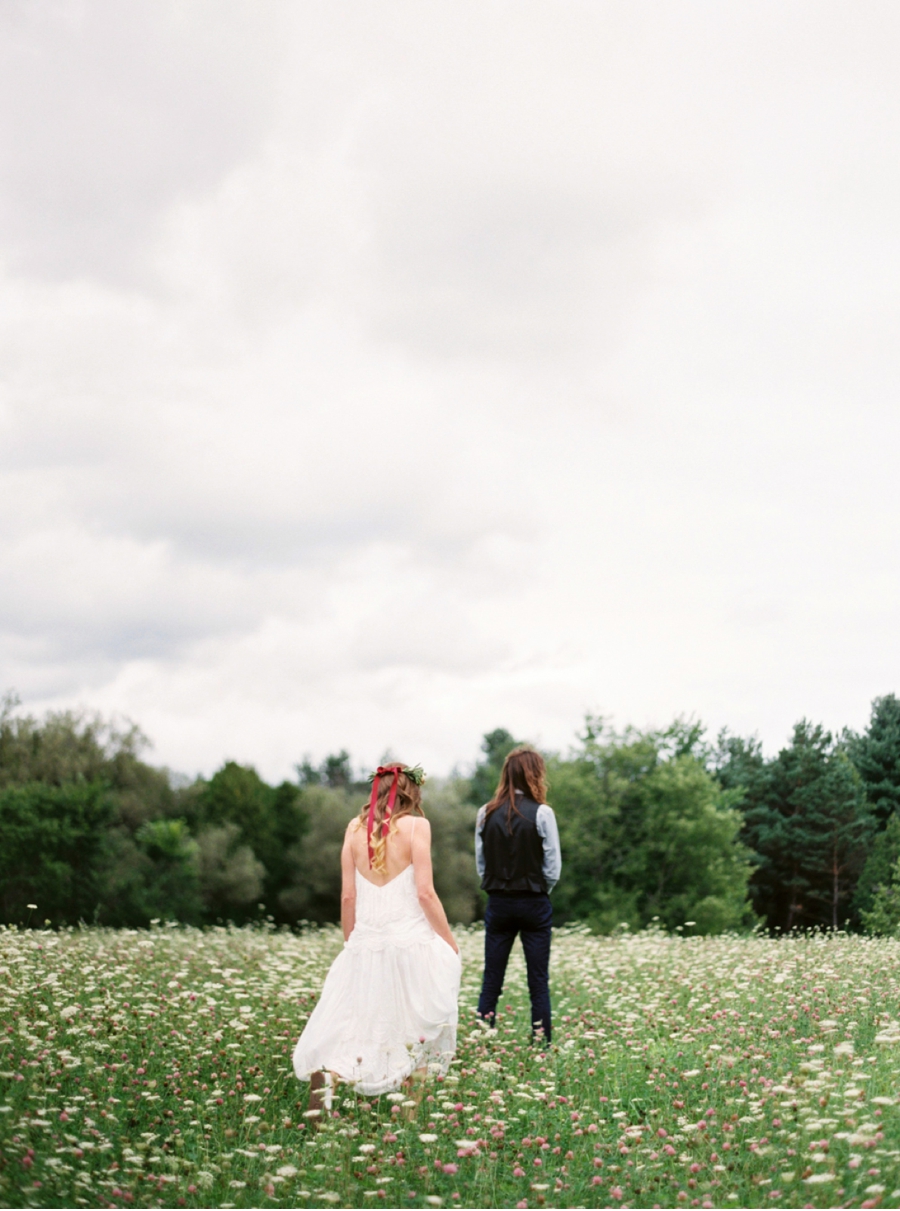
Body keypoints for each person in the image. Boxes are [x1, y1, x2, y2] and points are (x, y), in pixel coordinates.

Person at [293, 763, 461, 1115]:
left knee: (354, 1027)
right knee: (420, 1028)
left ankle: (330, 1079)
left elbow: (348, 898)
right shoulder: (418, 827)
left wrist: (352, 944)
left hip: (365, 944)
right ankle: (408, 1114)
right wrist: (449, 942)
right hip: (411, 943)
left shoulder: (354, 829)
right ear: (409, 792)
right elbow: (426, 894)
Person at [475, 746, 561, 1043]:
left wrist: (499, 885)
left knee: (491, 980)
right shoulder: (543, 813)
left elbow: (481, 864)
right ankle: (541, 1044)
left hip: (498, 901)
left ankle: (483, 1040)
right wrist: (539, 889)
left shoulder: (485, 813)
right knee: (538, 982)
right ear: (535, 774)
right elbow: (553, 866)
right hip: (534, 900)